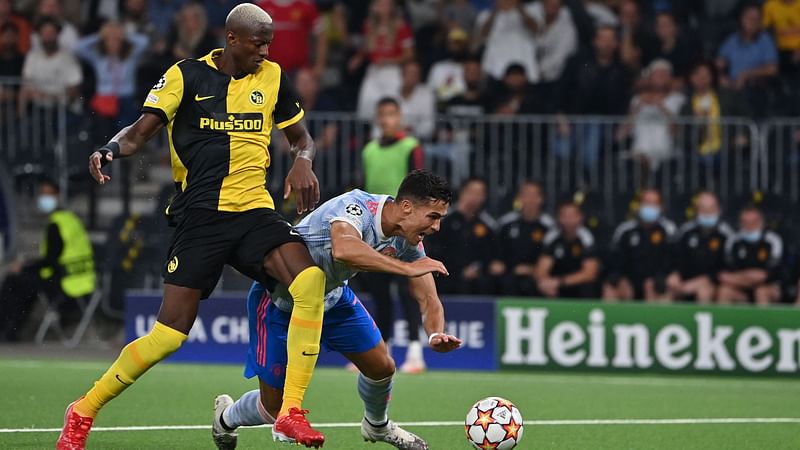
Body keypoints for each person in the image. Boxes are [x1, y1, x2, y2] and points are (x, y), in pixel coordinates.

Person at [58, 5, 328, 449]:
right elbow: (140, 132)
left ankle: (292, 412)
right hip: (200, 216)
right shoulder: (186, 75)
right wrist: (109, 148)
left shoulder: (274, 77)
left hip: (255, 211)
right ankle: (83, 410)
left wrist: (303, 161)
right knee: (168, 336)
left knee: (310, 281)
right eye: (258, 43)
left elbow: (303, 138)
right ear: (233, 39)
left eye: (269, 44)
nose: (265, 51)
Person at [211, 170, 460, 450]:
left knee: (382, 366)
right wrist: (406, 268)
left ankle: (377, 425)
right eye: (433, 217)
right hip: (280, 301)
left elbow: (427, 296)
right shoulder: (356, 207)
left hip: (332, 297)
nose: (436, 227)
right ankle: (226, 417)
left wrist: (435, 333)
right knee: (272, 408)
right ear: (406, 207)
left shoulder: (408, 239)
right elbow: (344, 248)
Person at [361, 96, 427, 373]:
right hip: (376, 230)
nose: (387, 119)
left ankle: (414, 353)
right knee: (379, 294)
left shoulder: (411, 147)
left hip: (406, 230)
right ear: (378, 118)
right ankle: (382, 351)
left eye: (392, 114)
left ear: (400, 117)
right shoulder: (369, 151)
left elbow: (421, 187)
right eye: (383, 114)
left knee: (408, 290)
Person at [0, 178, 95, 342]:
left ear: (58, 195)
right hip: (84, 278)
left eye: (48, 194)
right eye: (42, 194)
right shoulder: (70, 219)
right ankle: (11, 331)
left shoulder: (56, 225)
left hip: (66, 281)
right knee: (25, 284)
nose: (45, 198)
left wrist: (23, 267)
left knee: (12, 282)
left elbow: (50, 261)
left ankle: (8, 332)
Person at [425, 177, 496, 294]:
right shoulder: (443, 220)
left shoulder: (488, 225)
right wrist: (458, 271)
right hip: (445, 276)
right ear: (462, 192)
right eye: (472, 192)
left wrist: (479, 268)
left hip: (476, 281)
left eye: (479, 194)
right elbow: (434, 251)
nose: (475, 198)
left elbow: (490, 256)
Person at [603, 188, 676, 302]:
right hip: (629, 280)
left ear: (661, 207)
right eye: (646, 203)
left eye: (654, 203)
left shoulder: (668, 230)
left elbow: (673, 260)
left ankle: (655, 319)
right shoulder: (625, 230)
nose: (649, 207)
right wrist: (620, 278)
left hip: (657, 280)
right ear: (638, 205)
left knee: (654, 286)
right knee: (610, 288)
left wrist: (662, 277)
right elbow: (615, 261)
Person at [666, 192, 734, 303]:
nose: (707, 213)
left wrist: (707, 280)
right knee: (667, 289)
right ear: (696, 210)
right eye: (703, 208)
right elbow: (676, 258)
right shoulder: (685, 231)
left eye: (711, 209)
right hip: (686, 282)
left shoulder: (727, 235)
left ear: (718, 210)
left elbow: (728, 270)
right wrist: (675, 274)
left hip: (714, 283)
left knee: (704, 291)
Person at [490, 181, 555, 295]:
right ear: (519, 199)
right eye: (526, 195)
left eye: (534, 195)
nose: (530, 200)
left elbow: (551, 256)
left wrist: (532, 269)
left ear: (541, 199)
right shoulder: (506, 223)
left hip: (537, 274)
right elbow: (496, 251)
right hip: (509, 273)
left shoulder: (549, 227)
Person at [716, 206, 783, 306]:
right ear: (740, 223)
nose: (749, 226)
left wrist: (740, 277)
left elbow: (768, 275)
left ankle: (764, 321)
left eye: (753, 222)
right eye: (745, 222)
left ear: (761, 222)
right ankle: (722, 321)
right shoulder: (733, 242)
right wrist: (750, 276)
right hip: (740, 288)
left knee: (760, 292)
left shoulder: (773, 241)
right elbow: (725, 274)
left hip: (767, 287)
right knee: (724, 291)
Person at [535, 202, 600, 299]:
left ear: (580, 218)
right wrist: (545, 283)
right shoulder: (552, 237)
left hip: (574, 282)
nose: (568, 220)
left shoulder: (586, 238)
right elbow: (541, 269)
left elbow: (590, 273)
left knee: (589, 287)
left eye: (572, 216)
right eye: (564, 216)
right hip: (555, 282)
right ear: (558, 218)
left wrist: (560, 282)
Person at [476, 0, 541, 83]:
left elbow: (536, 29)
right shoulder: (485, 14)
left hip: (524, 64)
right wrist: (495, 10)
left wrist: (519, 7)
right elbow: (482, 34)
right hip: (495, 68)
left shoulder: (530, 11)